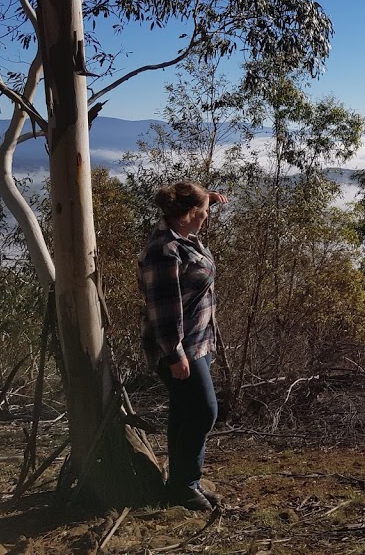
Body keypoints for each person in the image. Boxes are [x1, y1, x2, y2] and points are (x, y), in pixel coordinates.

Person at [138, 181, 227, 511]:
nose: (207, 215)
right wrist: (175, 353)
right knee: (204, 411)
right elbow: (163, 308)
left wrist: (210, 199)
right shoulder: (165, 252)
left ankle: (182, 484)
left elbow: (194, 211)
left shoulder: (182, 233)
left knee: (184, 411)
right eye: (203, 211)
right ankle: (185, 484)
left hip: (197, 342)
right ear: (189, 214)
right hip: (177, 345)